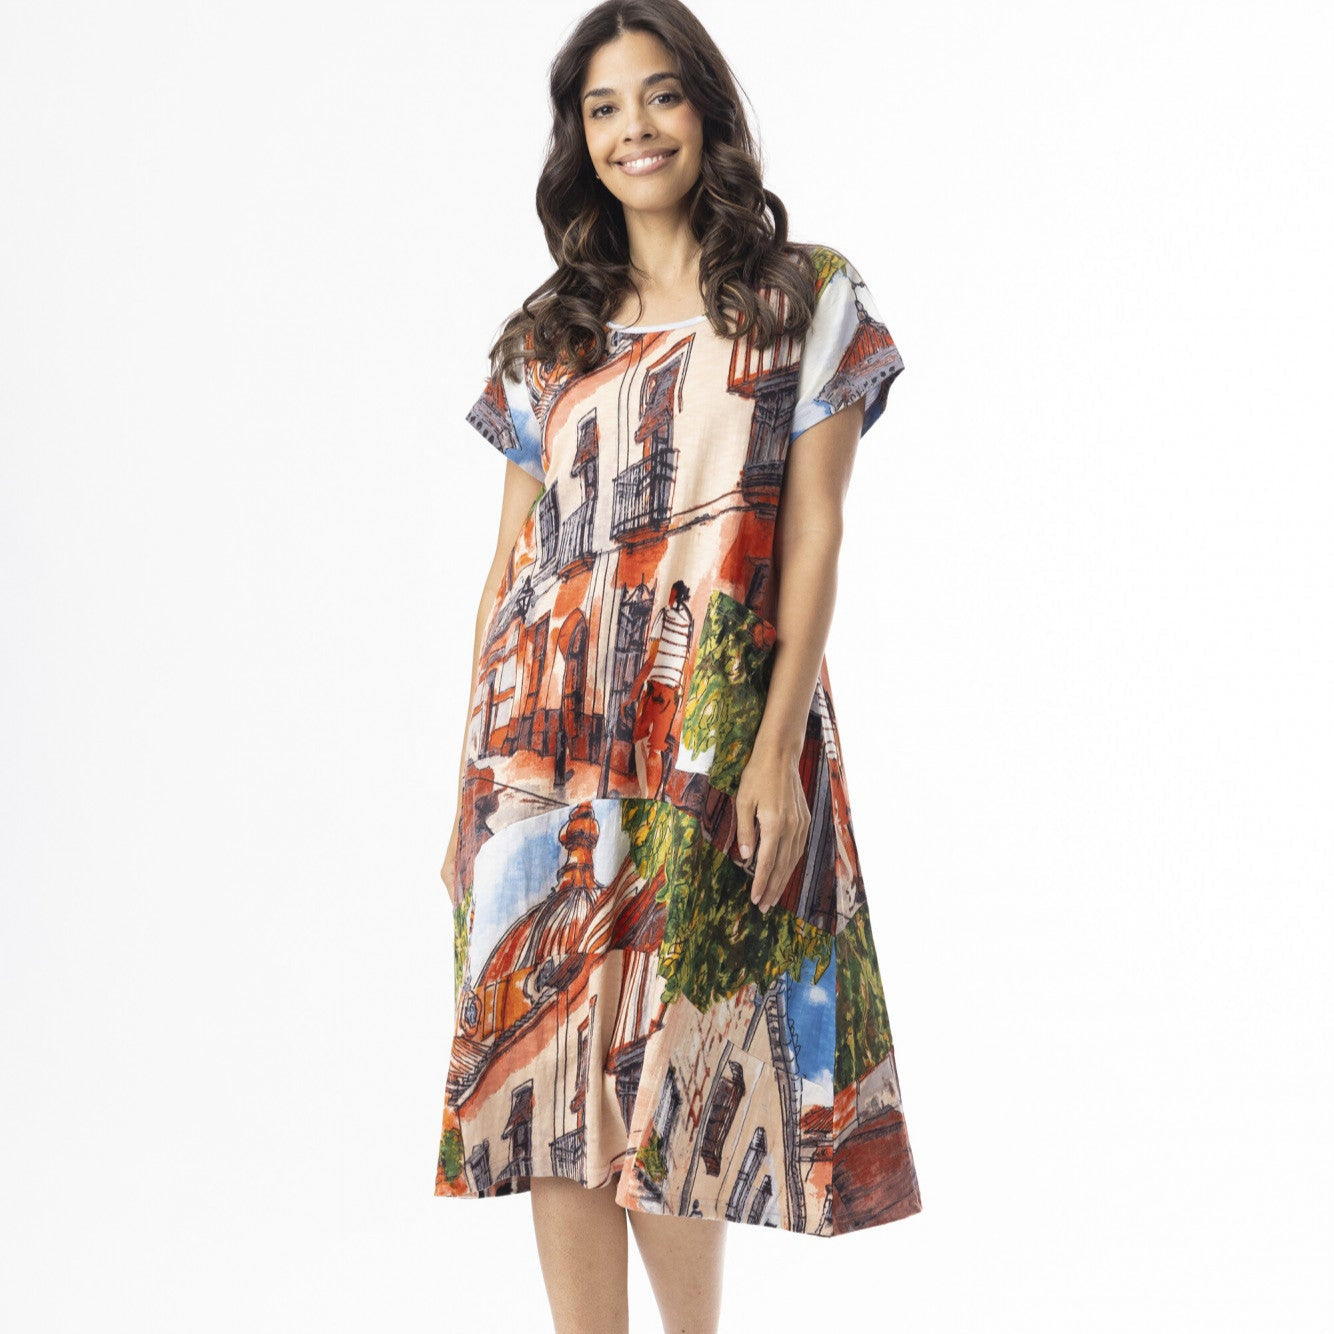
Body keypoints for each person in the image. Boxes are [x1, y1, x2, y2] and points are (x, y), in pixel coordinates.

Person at [436, 3, 922, 1331]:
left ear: (704, 107)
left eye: (657, 95)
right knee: (551, 1085)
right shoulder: (548, 335)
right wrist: (464, 789)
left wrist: (773, 749)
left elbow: (812, 532)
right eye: (602, 108)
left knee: (676, 1066)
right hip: (538, 748)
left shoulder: (802, 297)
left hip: (708, 728)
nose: (633, 129)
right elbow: (508, 566)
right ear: (578, 138)